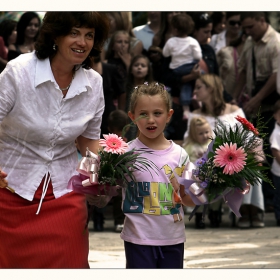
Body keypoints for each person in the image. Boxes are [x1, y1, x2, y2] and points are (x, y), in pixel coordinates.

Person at [0, 12, 109, 268]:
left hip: (65, 192)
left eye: (89, 35)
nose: (82, 42)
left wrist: (96, 182)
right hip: (9, 190)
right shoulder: (18, 71)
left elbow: (89, 143)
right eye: (74, 33)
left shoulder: (94, 83)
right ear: (56, 35)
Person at [121, 81, 194, 268]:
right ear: (132, 117)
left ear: (169, 115)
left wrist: (207, 191)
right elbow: (110, 190)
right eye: (143, 114)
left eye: (157, 113)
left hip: (173, 239)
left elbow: (186, 198)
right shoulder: (124, 154)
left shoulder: (180, 154)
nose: (151, 120)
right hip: (138, 240)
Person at [183, 74, 265, 228]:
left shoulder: (234, 111)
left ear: (211, 88)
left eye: (199, 87)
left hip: (234, 158)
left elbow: (248, 137)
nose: (195, 92)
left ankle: (250, 211)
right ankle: (209, 214)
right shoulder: (196, 114)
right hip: (206, 162)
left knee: (250, 166)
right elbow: (189, 140)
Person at [233, 12, 280, 213]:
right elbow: (242, 70)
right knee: (256, 150)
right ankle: (263, 197)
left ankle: (271, 198)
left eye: (251, 26)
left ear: (262, 21)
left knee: (271, 148)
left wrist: (257, 98)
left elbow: (275, 76)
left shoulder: (275, 42)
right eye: (246, 28)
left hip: (272, 103)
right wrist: (234, 98)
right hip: (254, 102)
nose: (248, 32)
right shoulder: (250, 42)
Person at [162, 13, 202, 120]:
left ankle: (186, 110)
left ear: (174, 29)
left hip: (176, 69)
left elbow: (165, 53)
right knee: (202, 76)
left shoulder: (171, 41)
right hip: (190, 67)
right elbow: (198, 56)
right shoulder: (192, 41)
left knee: (186, 86)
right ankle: (197, 98)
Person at [182, 116, 213, 229]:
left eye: (206, 132)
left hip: (212, 176)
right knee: (199, 195)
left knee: (216, 193)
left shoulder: (212, 144)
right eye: (201, 134)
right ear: (194, 135)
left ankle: (215, 213)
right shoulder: (190, 147)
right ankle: (199, 216)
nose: (205, 136)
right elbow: (185, 162)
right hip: (196, 178)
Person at [107, 110, 130, 232]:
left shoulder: (129, 142)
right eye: (117, 130)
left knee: (122, 192)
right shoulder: (105, 143)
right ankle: (114, 221)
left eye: (122, 130)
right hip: (109, 175)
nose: (119, 133)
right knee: (116, 191)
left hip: (124, 175)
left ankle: (122, 221)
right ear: (110, 128)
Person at [124, 54, 154, 141]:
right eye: (136, 65)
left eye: (143, 66)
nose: (139, 68)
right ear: (131, 70)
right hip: (128, 121)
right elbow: (122, 107)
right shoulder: (126, 88)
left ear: (148, 70)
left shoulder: (151, 90)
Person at [216, 31, 247, 98]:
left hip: (242, 99)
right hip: (222, 96)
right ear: (244, 38)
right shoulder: (225, 52)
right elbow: (213, 72)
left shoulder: (251, 57)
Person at [269, 100, 280, 226]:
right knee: (278, 194)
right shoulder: (276, 133)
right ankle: (279, 215)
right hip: (279, 171)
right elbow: (275, 151)